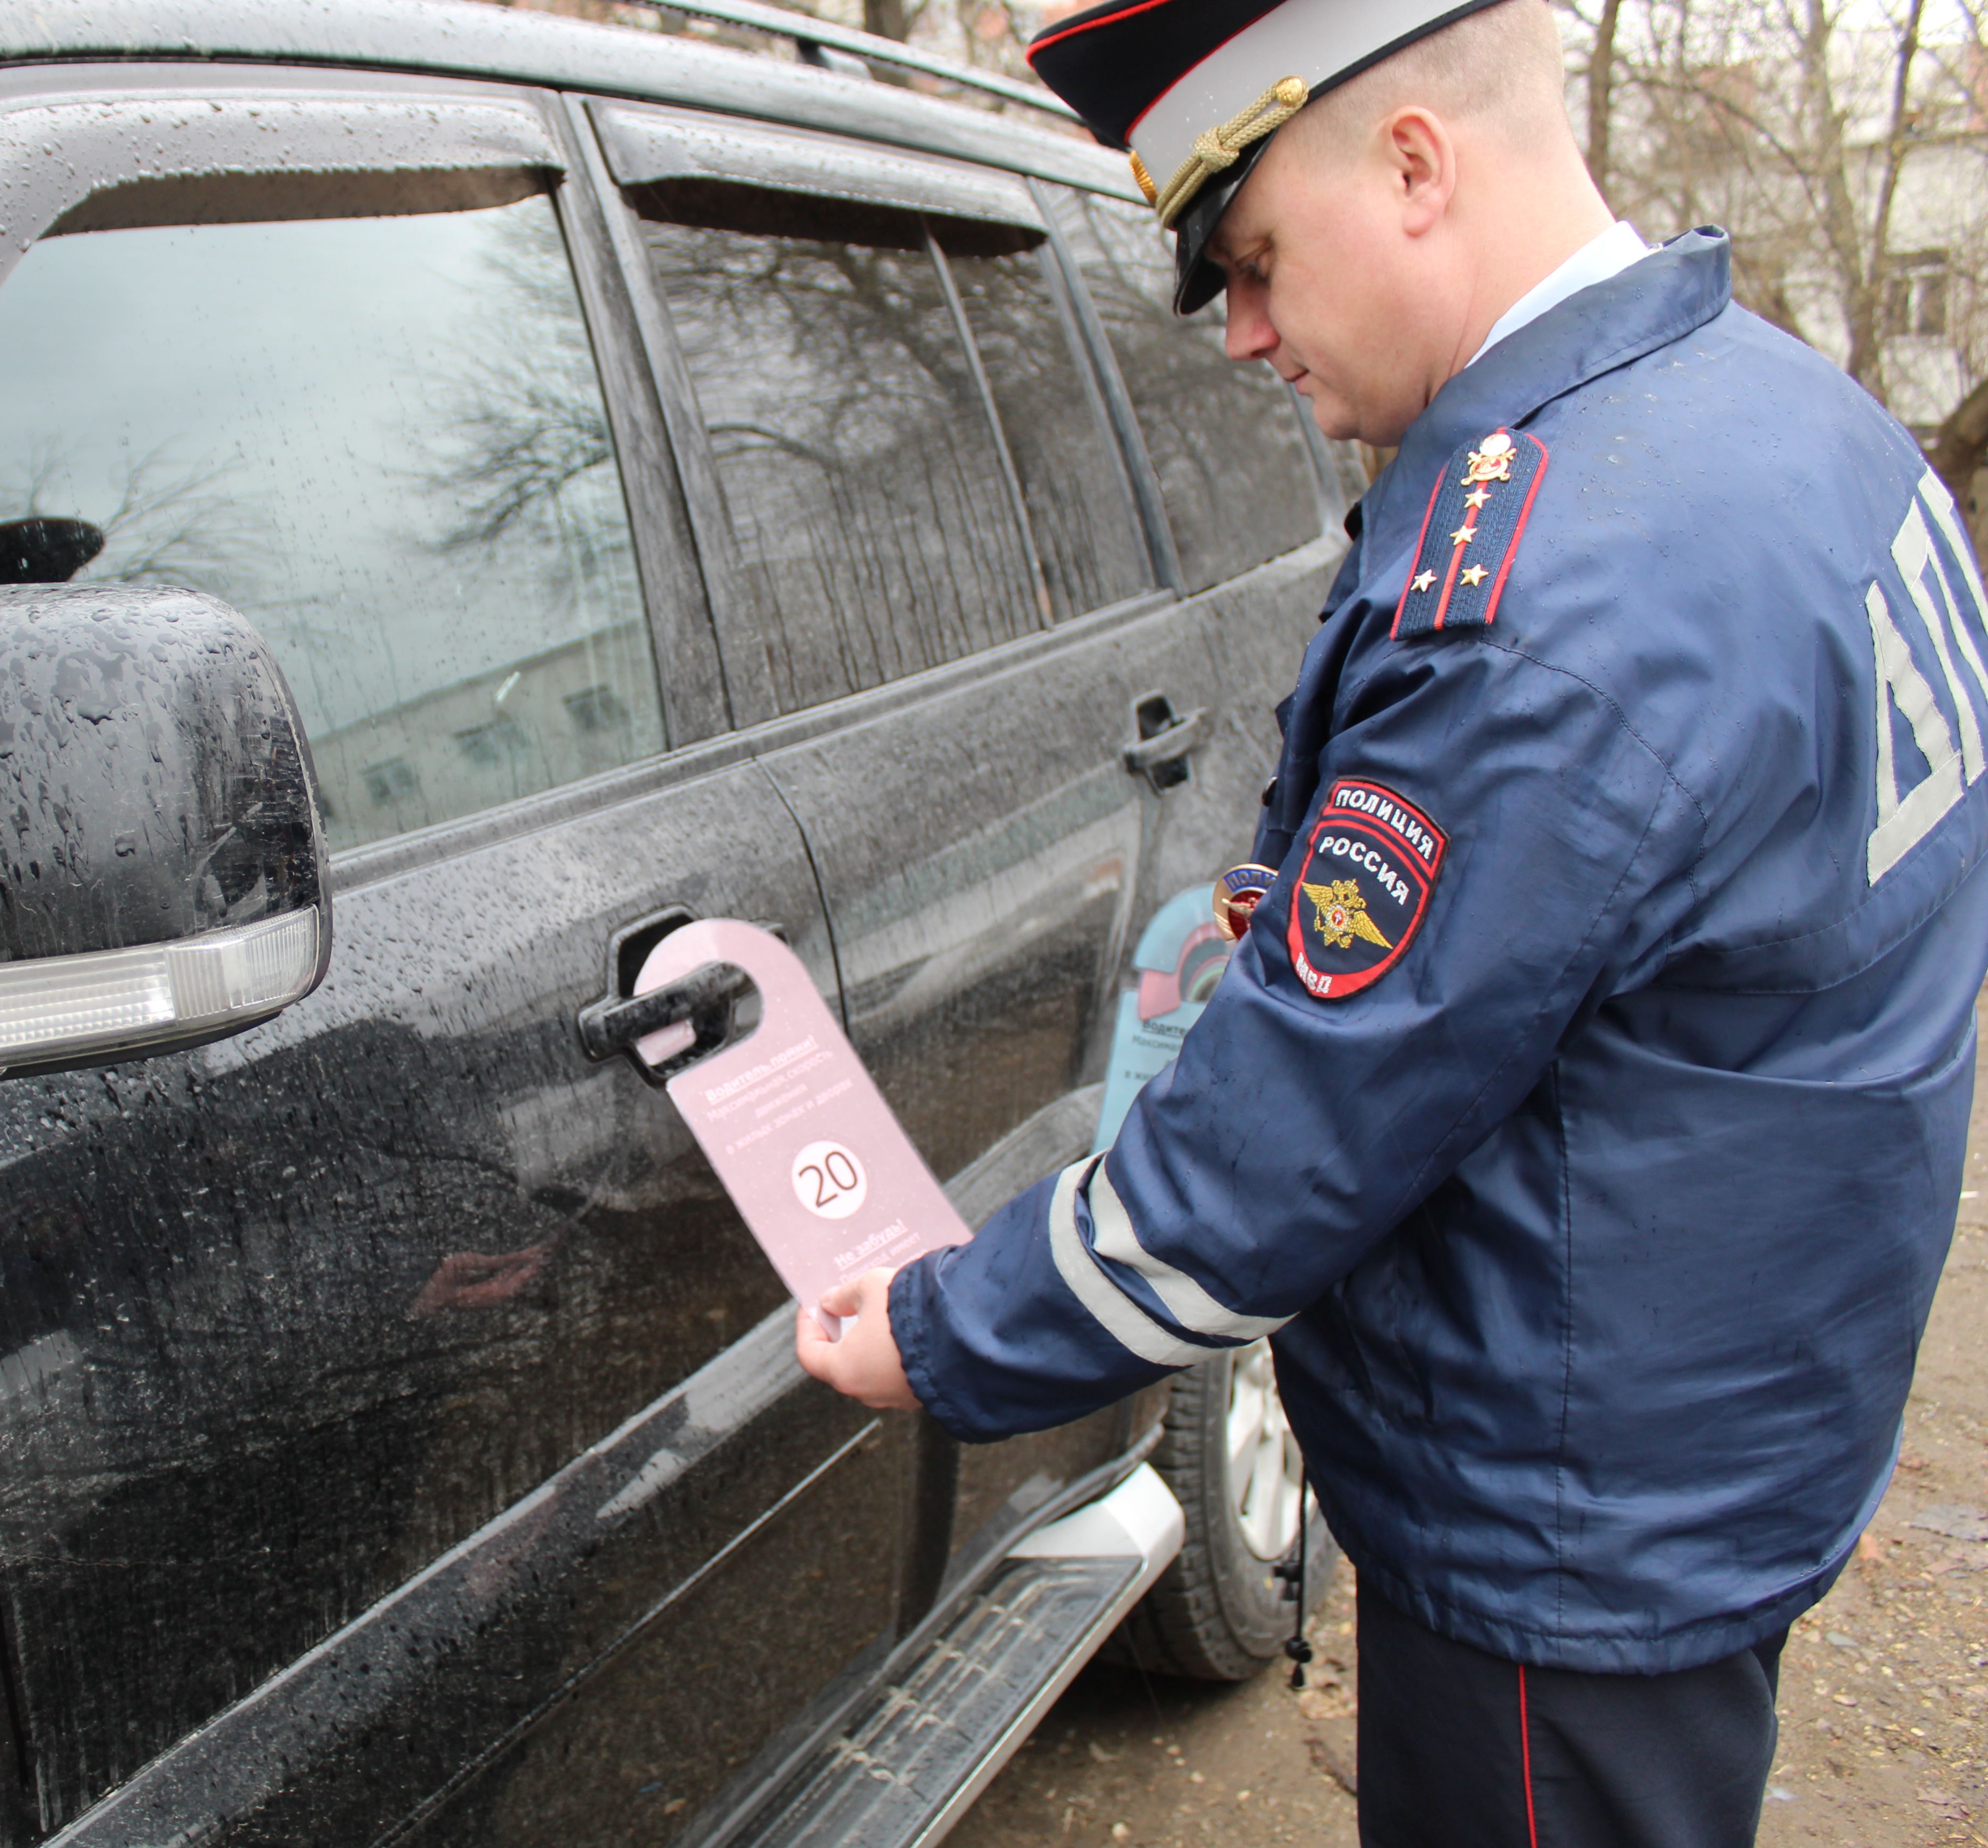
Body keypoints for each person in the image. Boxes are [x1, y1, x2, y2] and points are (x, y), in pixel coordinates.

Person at [791, 2, 1988, 1843]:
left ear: (1417, 166)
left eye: (1257, 260)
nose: (1249, 331)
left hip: (1569, 1515)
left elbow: (1273, 1163)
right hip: (1734, 1411)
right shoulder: (1802, 424)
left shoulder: (1543, 604)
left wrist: (949, 1328)